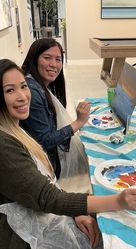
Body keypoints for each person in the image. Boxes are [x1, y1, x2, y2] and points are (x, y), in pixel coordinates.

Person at [0, 59, 136, 249]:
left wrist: (75, 211)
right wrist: (117, 201)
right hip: (19, 243)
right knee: (117, 236)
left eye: (23, 86)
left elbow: (41, 184)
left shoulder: (10, 128)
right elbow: (47, 198)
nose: (22, 96)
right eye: (10, 90)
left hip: (37, 216)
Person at [20, 38, 90, 180]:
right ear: (34, 59)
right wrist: (79, 122)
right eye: (47, 58)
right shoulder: (32, 91)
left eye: (58, 59)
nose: (54, 64)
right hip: (44, 166)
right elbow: (45, 141)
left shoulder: (38, 84)